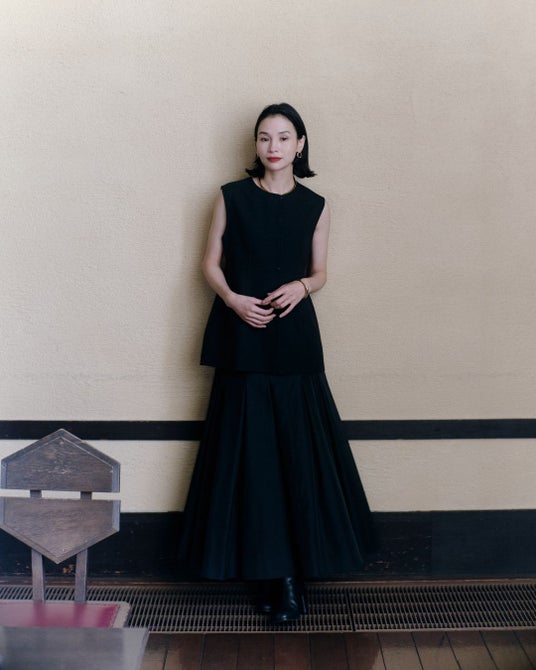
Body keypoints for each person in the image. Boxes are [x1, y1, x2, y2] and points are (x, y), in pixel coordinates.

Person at [179, 102, 376, 624]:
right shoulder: (231, 196)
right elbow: (209, 263)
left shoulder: (316, 204)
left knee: (294, 458)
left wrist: (302, 287)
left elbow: (321, 271)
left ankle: (289, 578)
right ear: (256, 144)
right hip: (242, 335)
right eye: (265, 137)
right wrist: (232, 300)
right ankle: (267, 574)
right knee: (250, 458)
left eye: (284, 137)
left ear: (300, 145)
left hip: (293, 338)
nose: (273, 146)